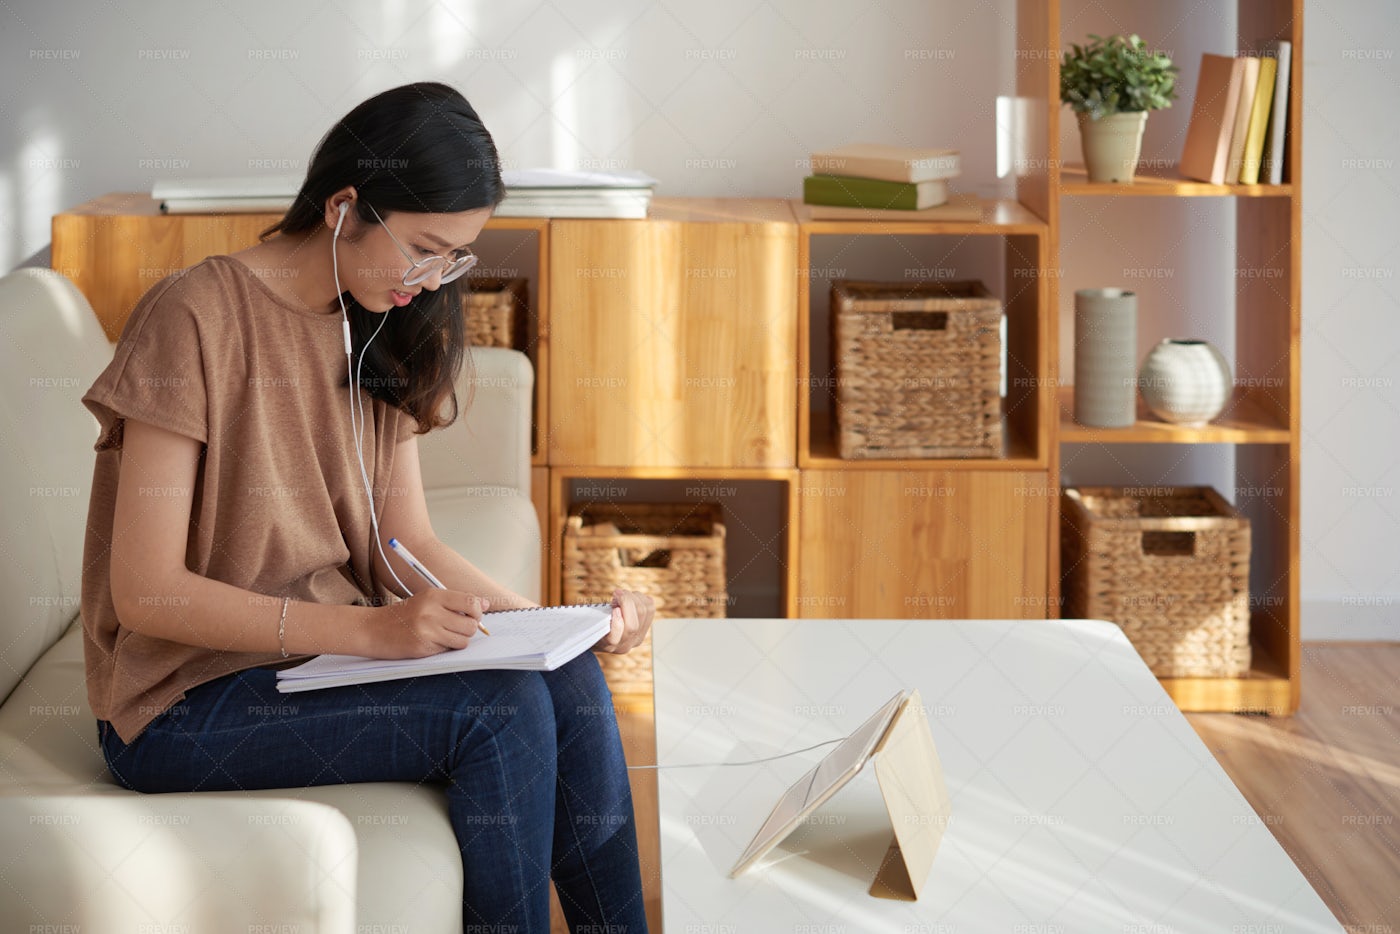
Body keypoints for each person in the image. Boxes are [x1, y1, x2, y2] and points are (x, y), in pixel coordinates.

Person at [79, 81, 653, 933]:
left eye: (454, 257)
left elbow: (401, 543)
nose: (433, 280)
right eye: (424, 248)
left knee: (563, 678)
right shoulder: (193, 317)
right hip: (180, 706)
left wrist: (559, 622)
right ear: (346, 205)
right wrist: (373, 633)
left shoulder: (377, 324)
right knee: (499, 712)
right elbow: (148, 592)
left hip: (308, 671)